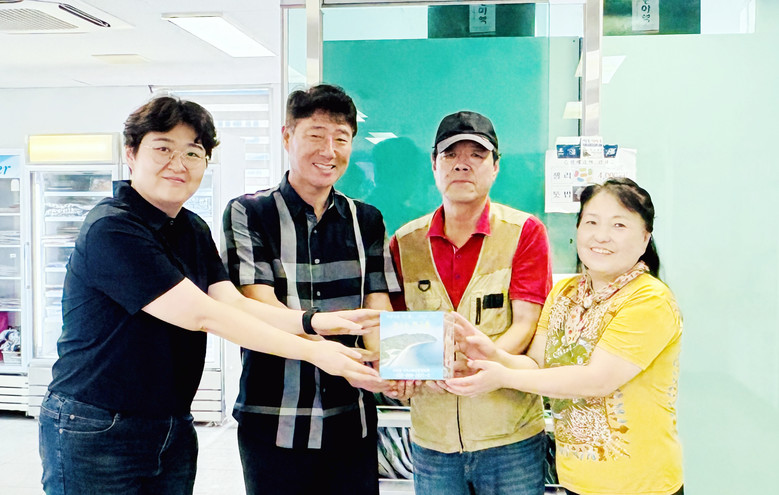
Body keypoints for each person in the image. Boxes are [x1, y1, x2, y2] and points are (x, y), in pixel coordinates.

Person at [38, 95, 381, 495]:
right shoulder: (112, 228)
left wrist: (314, 322)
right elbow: (204, 315)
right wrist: (316, 351)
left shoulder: (191, 228)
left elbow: (232, 303)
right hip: (96, 423)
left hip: (172, 424)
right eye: (163, 149)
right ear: (131, 154)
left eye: (193, 152)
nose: (178, 163)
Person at [446, 177, 684, 495]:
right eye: (592, 222)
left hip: (642, 485)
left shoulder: (650, 299)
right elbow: (537, 365)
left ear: (645, 238)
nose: (601, 235)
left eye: (619, 225)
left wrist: (503, 377)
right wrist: (492, 354)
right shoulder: (564, 293)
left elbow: (597, 380)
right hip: (576, 481)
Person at [221, 84, 396, 495]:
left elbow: (377, 305)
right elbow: (257, 304)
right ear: (287, 137)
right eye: (316, 135)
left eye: (341, 138)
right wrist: (327, 340)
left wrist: (393, 364)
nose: (328, 151)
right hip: (274, 420)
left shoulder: (367, 220)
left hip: (352, 419)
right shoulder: (249, 212)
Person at [387, 111, 553, 495]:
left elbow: (526, 324)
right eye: (450, 154)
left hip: (509, 437)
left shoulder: (525, 233)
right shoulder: (404, 242)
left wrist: (477, 363)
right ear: (434, 164)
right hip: (434, 441)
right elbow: (396, 330)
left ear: (495, 167)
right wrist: (408, 372)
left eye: (477, 155)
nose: (462, 164)